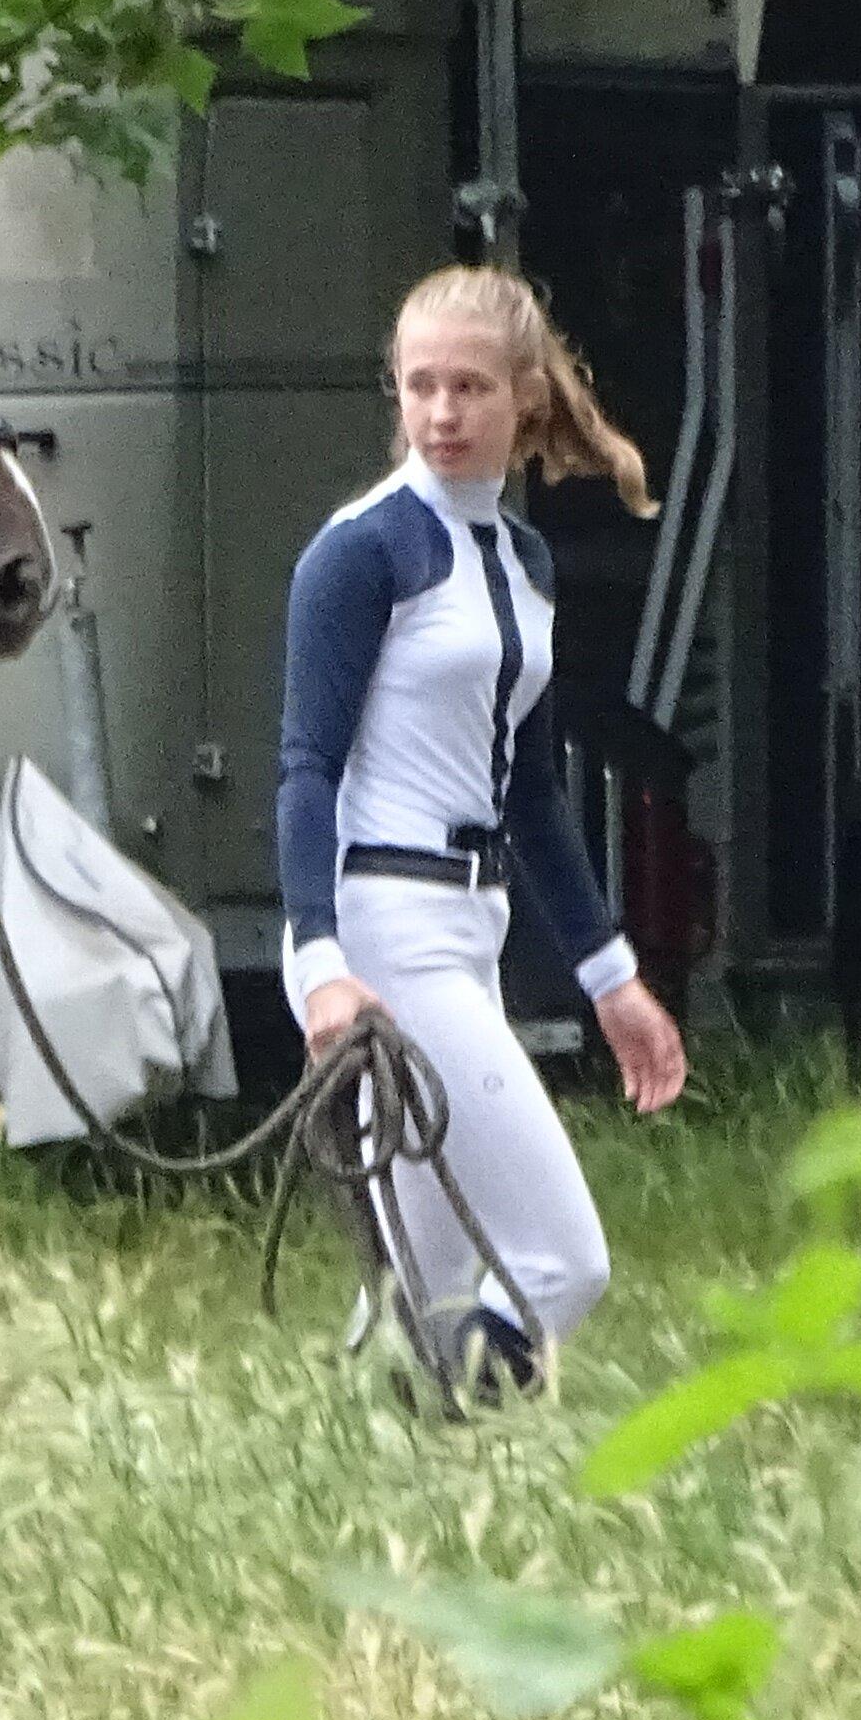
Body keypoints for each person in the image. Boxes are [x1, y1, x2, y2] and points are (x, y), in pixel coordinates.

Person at [277, 265, 689, 1401]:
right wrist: (320, 966)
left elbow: (533, 795)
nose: (443, 414)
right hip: (381, 924)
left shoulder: (523, 562)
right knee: (563, 1263)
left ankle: (392, 1476)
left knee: (430, 1287)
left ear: (526, 400)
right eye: (419, 388)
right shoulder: (362, 551)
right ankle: (429, 1419)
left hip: (472, 920)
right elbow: (305, 769)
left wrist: (613, 980)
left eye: (468, 388)